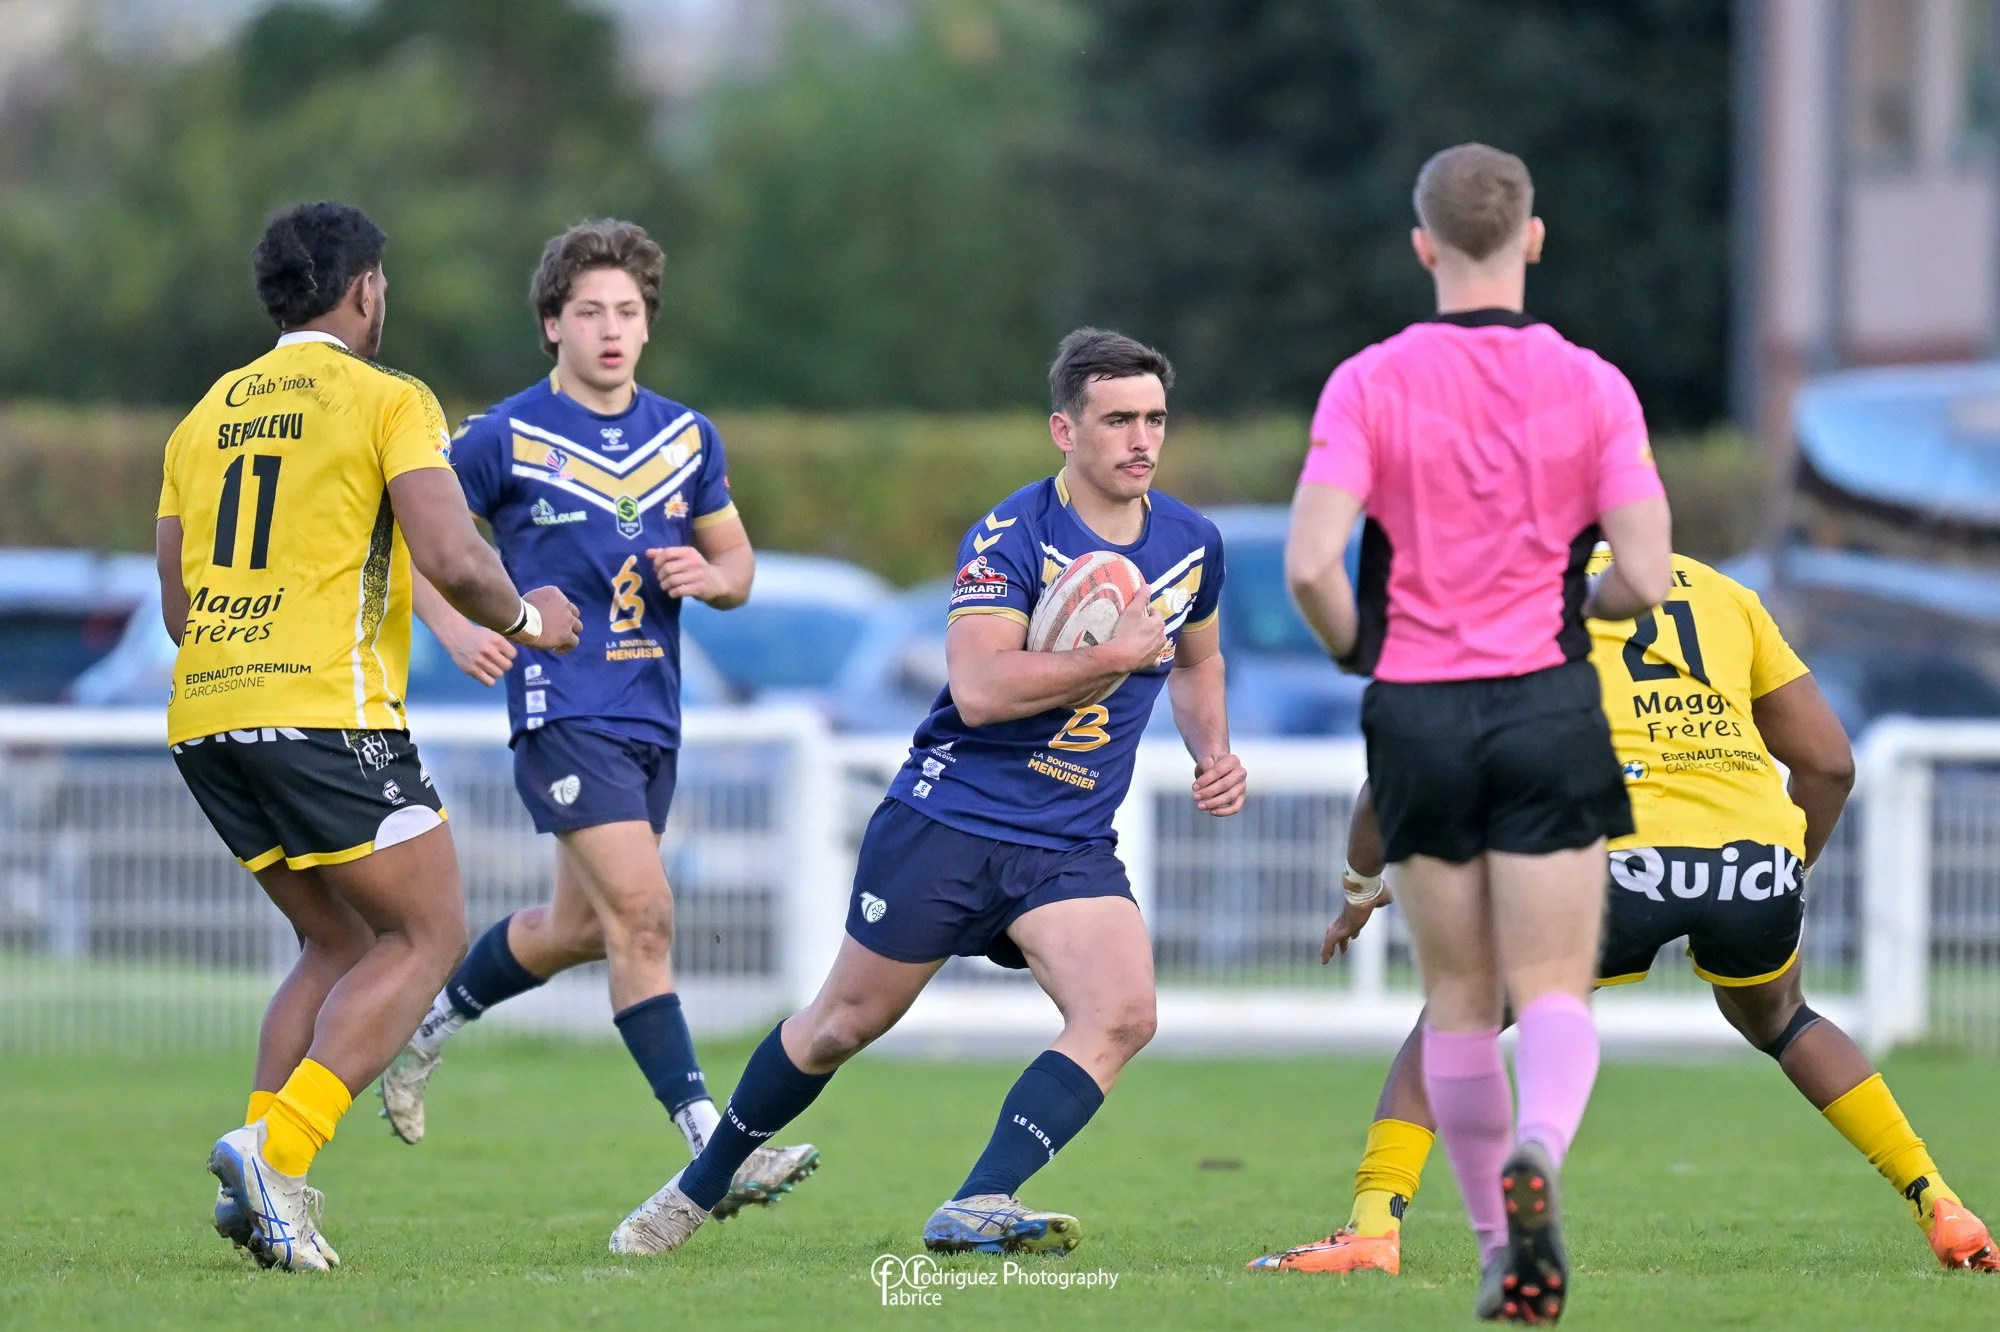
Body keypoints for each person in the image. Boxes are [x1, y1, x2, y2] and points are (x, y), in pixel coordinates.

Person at [595, 327, 1246, 1257]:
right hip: (951, 821)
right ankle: (696, 1189)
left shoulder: (1192, 543)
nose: (1141, 440)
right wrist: (1109, 657)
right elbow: (979, 689)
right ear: (1064, 430)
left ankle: (978, 1201)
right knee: (838, 1026)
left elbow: (1198, 658)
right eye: (1117, 421)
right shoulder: (1014, 534)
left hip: (1067, 842)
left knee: (1123, 1013)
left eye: (1155, 419)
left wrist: (1212, 751)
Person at [1252, 549, 2000, 1278]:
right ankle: (1942, 1204)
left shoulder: (1508, 589)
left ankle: (1373, 1230)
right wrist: (1781, 872)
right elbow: (1830, 763)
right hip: (1752, 853)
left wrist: (1359, 888)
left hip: (1607, 850)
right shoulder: (1721, 592)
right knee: (1782, 1016)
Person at [1283, 143, 1674, 1323]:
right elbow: (1645, 574)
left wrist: (1356, 646)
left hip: (1417, 711)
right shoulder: (1593, 385)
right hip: (1544, 699)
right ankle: (1538, 1144)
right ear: (1532, 237)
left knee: (1458, 1000)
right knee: (1550, 987)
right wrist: (1584, 601)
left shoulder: (1366, 382)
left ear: (1423, 246)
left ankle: (1503, 1249)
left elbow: (1309, 565)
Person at [161, 201, 581, 1271]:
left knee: (340, 943)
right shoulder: (389, 398)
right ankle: (278, 1156)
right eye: (381, 282)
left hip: (207, 712)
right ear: (364, 289)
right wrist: (531, 621)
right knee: (429, 936)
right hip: (322, 710)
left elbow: (175, 603)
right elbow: (452, 554)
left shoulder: (202, 417)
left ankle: (254, 1183)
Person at [376, 219, 818, 1218]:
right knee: (645, 915)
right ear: (551, 324)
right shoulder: (502, 437)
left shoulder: (685, 437)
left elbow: (739, 567)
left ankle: (423, 1030)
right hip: (561, 705)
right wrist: (455, 626)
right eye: (588, 312)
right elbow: (404, 534)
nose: (610, 329)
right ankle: (714, 1152)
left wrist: (713, 578)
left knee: (579, 928)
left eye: (626, 311)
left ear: (648, 325)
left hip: (652, 713)